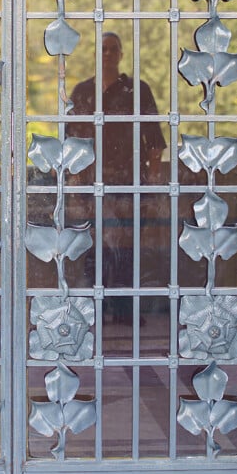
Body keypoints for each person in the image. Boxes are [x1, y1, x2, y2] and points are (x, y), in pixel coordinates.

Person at [68, 32, 166, 323]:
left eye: (113, 49)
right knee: (94, 246)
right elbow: (71, 141)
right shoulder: (82, 92)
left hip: (130, 182)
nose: (108, 54)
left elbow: (155, 141)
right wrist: (74, 182)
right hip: (92, 184)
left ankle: (124, 309)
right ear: (96, 55)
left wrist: (154, 181)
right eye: (103, 49)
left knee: (126, 248)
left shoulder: (138, 90)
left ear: (121, 54)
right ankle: (94, 309)